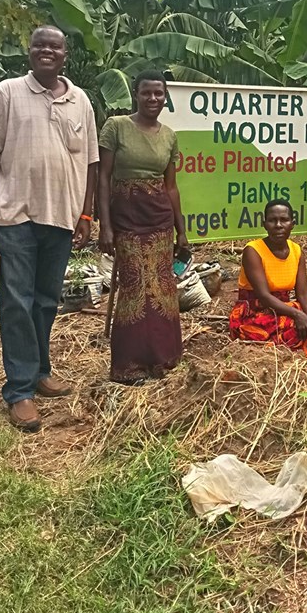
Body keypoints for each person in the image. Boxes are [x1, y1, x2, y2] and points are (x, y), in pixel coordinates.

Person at [0, 26, 98, 432]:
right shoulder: (7, 92)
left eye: (55, 46)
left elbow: (92, 166)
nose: (47, 50)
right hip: (14, 217)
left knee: (46, 301)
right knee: (16, 302)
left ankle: (40, 371)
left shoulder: (81, 102)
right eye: (40, 45)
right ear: (29, 51)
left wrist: (86, 215)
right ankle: (20, 390)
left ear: (66, 54)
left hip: (60, 217)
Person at [98, 70, 188, 384]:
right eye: (147, 93)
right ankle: (130, 366)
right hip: (126, 218)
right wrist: (104, 226)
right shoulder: (116, 127)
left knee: (163, 290)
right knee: (134, 287)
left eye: (159, 94)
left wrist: (182, 231)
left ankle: (164, 361)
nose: (153, 99)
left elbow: (172, 186)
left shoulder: (169, 135)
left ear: (165, 97)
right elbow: (103, 178)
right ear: (136, 94)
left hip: (160, 219)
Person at [229, 200, 307, 356]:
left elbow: (303, 293)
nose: (278, 225)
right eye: (272, 220)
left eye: (284, 220)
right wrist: (297, 315)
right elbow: (264, 296)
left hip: (284, 309)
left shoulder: (296, 251)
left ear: (292, 223)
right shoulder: (253, 251)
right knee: (290, 334)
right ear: (264, 224)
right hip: (255, 312)